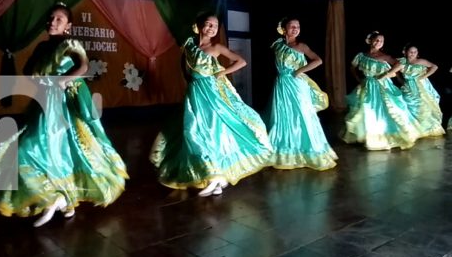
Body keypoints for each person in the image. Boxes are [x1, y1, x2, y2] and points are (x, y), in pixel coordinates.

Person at [0, 2, 128, 227]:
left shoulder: (70, 43)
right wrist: (39, 79)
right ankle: (65, 201)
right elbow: (28, 71)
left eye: (58, 20)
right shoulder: (41, 47)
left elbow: (83, 66)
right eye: (50, 18)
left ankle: (55, 197)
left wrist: (60, 82)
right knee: (51, 148)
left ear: (68, 26)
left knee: (39, 148)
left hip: (62, 103)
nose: (52, 22)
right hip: (44, 100)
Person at [150, 12, 273, 197]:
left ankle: (216, 175)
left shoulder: (216, 47)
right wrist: (190, 83)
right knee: (192, 130)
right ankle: (215, 179)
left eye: (215, 26)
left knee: (208, 130)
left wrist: (222, 73)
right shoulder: (189, 46)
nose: (212, 29)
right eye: (208, 25)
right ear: (199, 26)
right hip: (194, 92)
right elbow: (184, 68)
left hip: (211, 93)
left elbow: (241, 61)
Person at [268, 18, 337, 170]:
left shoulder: (301, 46)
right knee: (283, 116)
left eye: (298, 26)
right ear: (284, 29)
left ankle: (308, 150)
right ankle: (286, 152)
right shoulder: (277, 45)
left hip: (297, 84)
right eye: (292, 26)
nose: (295, 29)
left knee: (302, 114)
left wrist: (300, 70)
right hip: (281, 84)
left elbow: (318, 60)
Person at [342, 31, 420, 150]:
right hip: (367, 85)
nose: (379, 42)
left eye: (382, 41)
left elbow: (400, 64)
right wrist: (358, 78)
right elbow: (352, 67)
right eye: (377, 40)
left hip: (381, 86)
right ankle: (366, 136)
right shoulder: (361, 55)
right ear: (370, 40)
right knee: (365, 109)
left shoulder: (384, 56)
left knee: (384, 110)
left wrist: (386, 75)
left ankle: (384, 136)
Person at [398, 44, 445, 138]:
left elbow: (434, 67)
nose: (413, 54)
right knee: (408, 106)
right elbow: (396, 73)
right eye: (411, 52)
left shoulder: (420, 61)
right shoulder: (402, 62)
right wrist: (402, 82)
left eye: (415, 52)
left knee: (423, 106)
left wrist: (424, 76)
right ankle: (414, 129)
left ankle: (425, 129)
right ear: (406, 52)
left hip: (421, 87)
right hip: (408, 87)